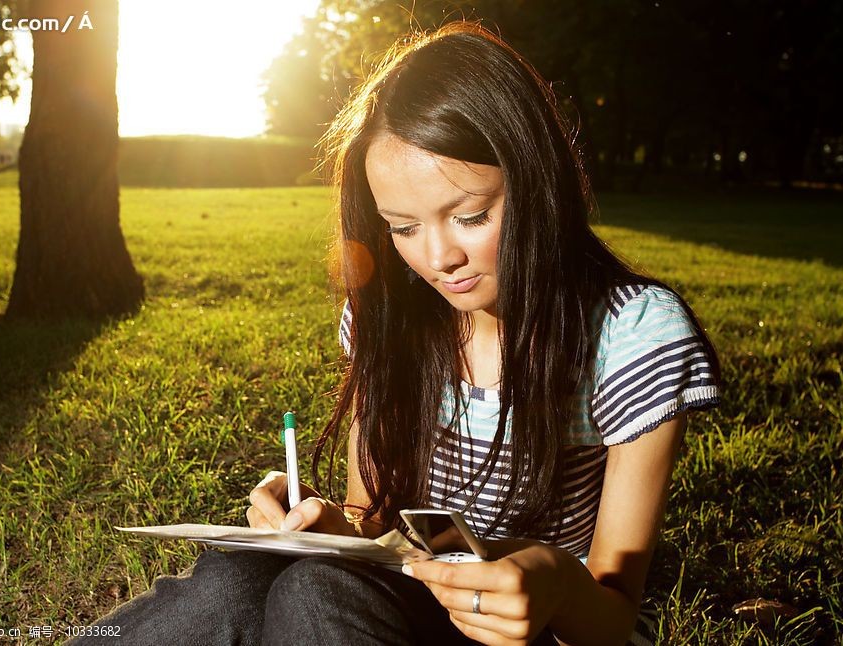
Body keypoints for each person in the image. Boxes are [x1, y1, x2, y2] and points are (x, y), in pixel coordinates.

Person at [76, 21, 720, 646]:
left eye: (470, 215)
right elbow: (371, 520)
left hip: (529, 631)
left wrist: (554, 582)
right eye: (404, 227)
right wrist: (322, 524)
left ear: (537, 181)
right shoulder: (391, 316)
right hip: (403, 599)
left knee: (313, 594)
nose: (439, 258)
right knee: (238, 573)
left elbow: (611, 618)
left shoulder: (631, 332)